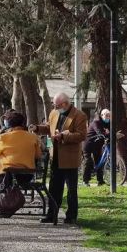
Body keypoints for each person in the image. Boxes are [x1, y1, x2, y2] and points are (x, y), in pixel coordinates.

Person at [30, 92, 87, 225]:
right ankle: (52, 214)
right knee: (54, 188)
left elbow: (81, 135)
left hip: (70, 158)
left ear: (65, 104)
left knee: (71, 189)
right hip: (55, 156)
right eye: (54, 105)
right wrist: (37, 128)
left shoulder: (79, 115)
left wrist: (63, 136)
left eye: (57, 105)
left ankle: (71, 216)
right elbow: (49, 127)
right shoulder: (54, 113)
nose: (55, 108)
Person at [0, 111, 42, 224]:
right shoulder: (33, 137)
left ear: (8, 124)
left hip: (7, 176)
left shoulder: (4, 137)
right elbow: (38, 155)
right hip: (27, 176)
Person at [82, 109, 110, 187]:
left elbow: (110, 132)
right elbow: (100, 132)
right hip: (88, 144)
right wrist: (107, 134)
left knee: (100, 161)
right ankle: (85, 180)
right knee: (88, 161)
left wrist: (114, 135)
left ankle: (100, 181)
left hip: (98, 145)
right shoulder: (96, 122)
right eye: (106, 115)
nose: (108, 117)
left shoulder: (108, 124)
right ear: (102, 115)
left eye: (109, 116)